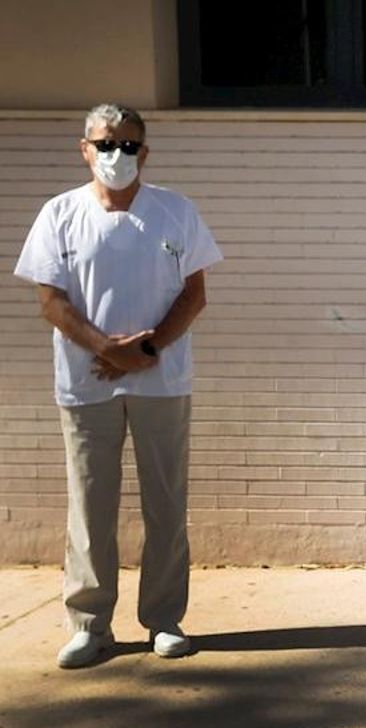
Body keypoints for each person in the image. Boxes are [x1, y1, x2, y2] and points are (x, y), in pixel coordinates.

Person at [13, 104, 222, 669]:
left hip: (162, 381)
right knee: (90, 506)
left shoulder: (174, 212)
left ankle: (163, 618)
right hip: (86, 384)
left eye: (129, 146)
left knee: (165, 503)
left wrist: (146, 351)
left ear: (145, 153)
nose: (116, 156)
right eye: (106, 144)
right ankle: (89, 623)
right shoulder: (59, 214)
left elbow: (194, 294)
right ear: (84, 148)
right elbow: (50, 300)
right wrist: (107, 349)